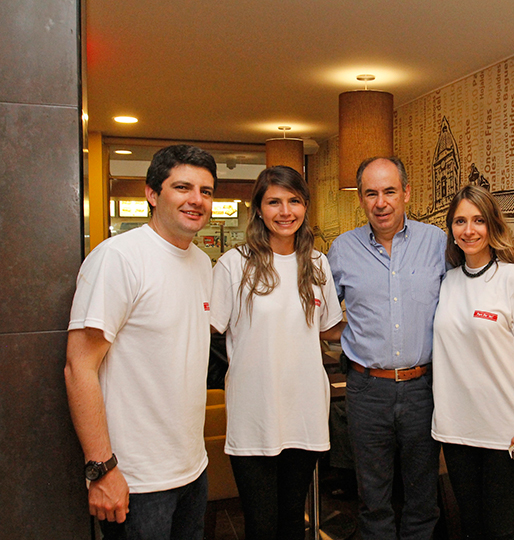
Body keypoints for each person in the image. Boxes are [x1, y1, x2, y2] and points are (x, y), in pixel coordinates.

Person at [64, 144, 217, 539]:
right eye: (183, 187)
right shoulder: (118, 259)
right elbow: (79, 367)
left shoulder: (201, 263)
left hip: (191, 469)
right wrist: (101, 469)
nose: (196, 200)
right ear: (152, 194)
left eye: (206, 191)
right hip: (135, 479)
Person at [210, 166, 344, 540]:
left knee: (291, 524)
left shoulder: (317, 264)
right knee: (261, 525)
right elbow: (207, 328)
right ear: (258, 209)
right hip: (254, 416)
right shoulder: (234, 264)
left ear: (305, 207)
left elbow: (329, 329)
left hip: (304, 414)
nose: (285, 211)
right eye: (274, 202)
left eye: (294, 201)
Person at [327, 156, 447, 540]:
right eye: (371, 193)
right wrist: (355, 332)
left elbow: (475, 281)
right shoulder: (342, 249)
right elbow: (321, 313)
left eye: (390, 191)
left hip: (423, 389)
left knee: (422, 496)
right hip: (366, 390)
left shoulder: (438, 243)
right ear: (361, 199)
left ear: (406, 194)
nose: (381, 202)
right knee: (372, 498)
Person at [431, 184, 514, 540]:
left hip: (505, 431)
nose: (469, 230)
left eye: (478, 220)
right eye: (460, 221)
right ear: (451, 229)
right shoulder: (447, 282)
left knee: (498, 529)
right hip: (456, 429)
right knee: (470, 526)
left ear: (492, 226)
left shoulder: (513, 279)